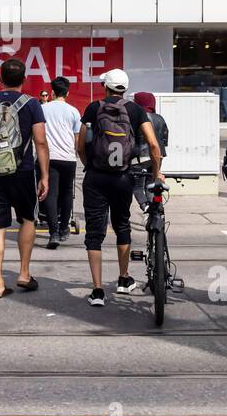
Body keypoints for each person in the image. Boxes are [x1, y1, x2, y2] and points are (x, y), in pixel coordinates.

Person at [77, 69, 162, 307]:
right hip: (123, 178)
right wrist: (156, 174)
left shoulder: (94, 107)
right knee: (122, 225)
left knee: (94, 233)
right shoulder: (135, 110)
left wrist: (89, 166)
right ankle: (124, 279)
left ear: (106, 86)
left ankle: (97, 291)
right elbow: (154, 145)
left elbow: (80, 143)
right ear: (125, 88)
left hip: (96, 178)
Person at [0, 58, 48, 298]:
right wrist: (44, 175)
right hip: (22, 172)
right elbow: (41, 142)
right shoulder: (32, 104)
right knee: (27, 220)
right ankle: (23, 273)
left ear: (0, 78)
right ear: (24, 79)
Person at [41, 77, 82, 250]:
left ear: (51, 92)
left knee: (50, 194)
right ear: (67, 93)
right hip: (68, 158)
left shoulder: (42, 108)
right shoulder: (74, 111)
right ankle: (64, 228)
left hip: (49, 157)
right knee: (67, 192)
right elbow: (77, 138)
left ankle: (53, 233)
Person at [131, 91, 171, 211]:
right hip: (157, 157)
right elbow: (165, 139)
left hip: (139, 157)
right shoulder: (160, 118)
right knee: (152, 184)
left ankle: (146, 208)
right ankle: (156, 210)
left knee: (137, 186)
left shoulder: (136, 118)